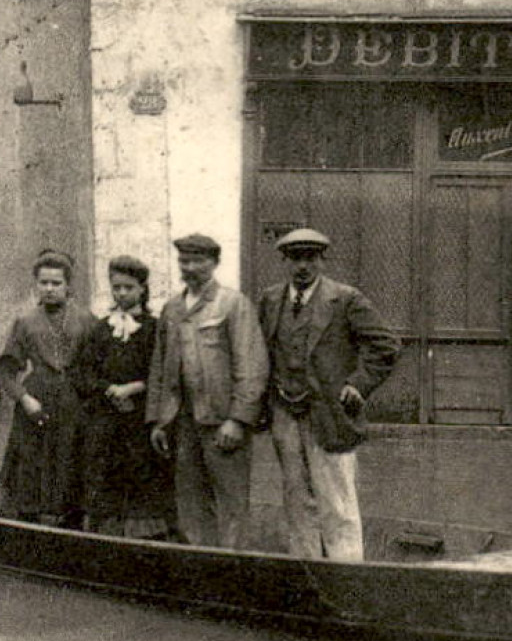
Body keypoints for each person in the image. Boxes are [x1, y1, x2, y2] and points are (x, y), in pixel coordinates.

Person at [257, 228, 400, 562]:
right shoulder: (270, 299)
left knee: (336, 501)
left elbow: (387, 345)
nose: (302, 266)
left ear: (322, 260)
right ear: (284, 261)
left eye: (310, 258)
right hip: (285, 413)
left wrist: (358, 384)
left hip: (330, 416)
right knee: (296, 498)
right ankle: (305, 572)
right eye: (295, 258)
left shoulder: (345, 299)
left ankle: (348, 574)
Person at [147, 234, 270, 550]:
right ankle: (201, 570)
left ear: (214, 263)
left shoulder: (232, 304)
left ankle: (233, 570)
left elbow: (252, 366)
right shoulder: (172, 309)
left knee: (231, 501)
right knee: (190, 501)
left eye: (197, 261)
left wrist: (239, 420)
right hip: (183, 420)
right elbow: (160, 368)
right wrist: (160, 421)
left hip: (221, 421)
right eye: (184, 261)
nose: (189, 268)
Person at [72, 255, 176, 539]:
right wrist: (108, 389)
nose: (121, 293)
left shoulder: (154, 330)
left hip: (140, 419)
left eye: (128, 287)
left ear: (142, 288)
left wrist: (133, 388)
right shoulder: (101, 330)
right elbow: (82, 372)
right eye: (116, 287)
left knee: (141, 476)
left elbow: (165, 371)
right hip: (105, 420)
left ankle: (143, 541)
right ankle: (106, 538)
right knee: (105, 477)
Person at [0, 250, 98, 528]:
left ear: (68, 286)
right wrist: (24, 398)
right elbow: (6, 372)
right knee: (30, 469)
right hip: (35, 402)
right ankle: (28, 527)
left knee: (71, 465)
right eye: (43, 283)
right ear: (36, 285)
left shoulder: (87, 320)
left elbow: (98, 367)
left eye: (56, 283)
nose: (49, 289)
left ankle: (71, 529)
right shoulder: (25, 322)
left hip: (73, 402)